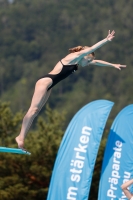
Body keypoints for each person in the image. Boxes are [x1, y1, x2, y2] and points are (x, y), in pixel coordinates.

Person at [15, 30, 126, 150]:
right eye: (88, 61)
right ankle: (20, 137)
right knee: (33, 110)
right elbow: (91, 49)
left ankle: (21, 137)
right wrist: (106, 40)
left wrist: (113, 65)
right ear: (83, 56)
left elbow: (97, 62)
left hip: (50, 86)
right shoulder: (74, 57)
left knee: (35, 112)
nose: (89, 63)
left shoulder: (78, 63)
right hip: (44, 82)